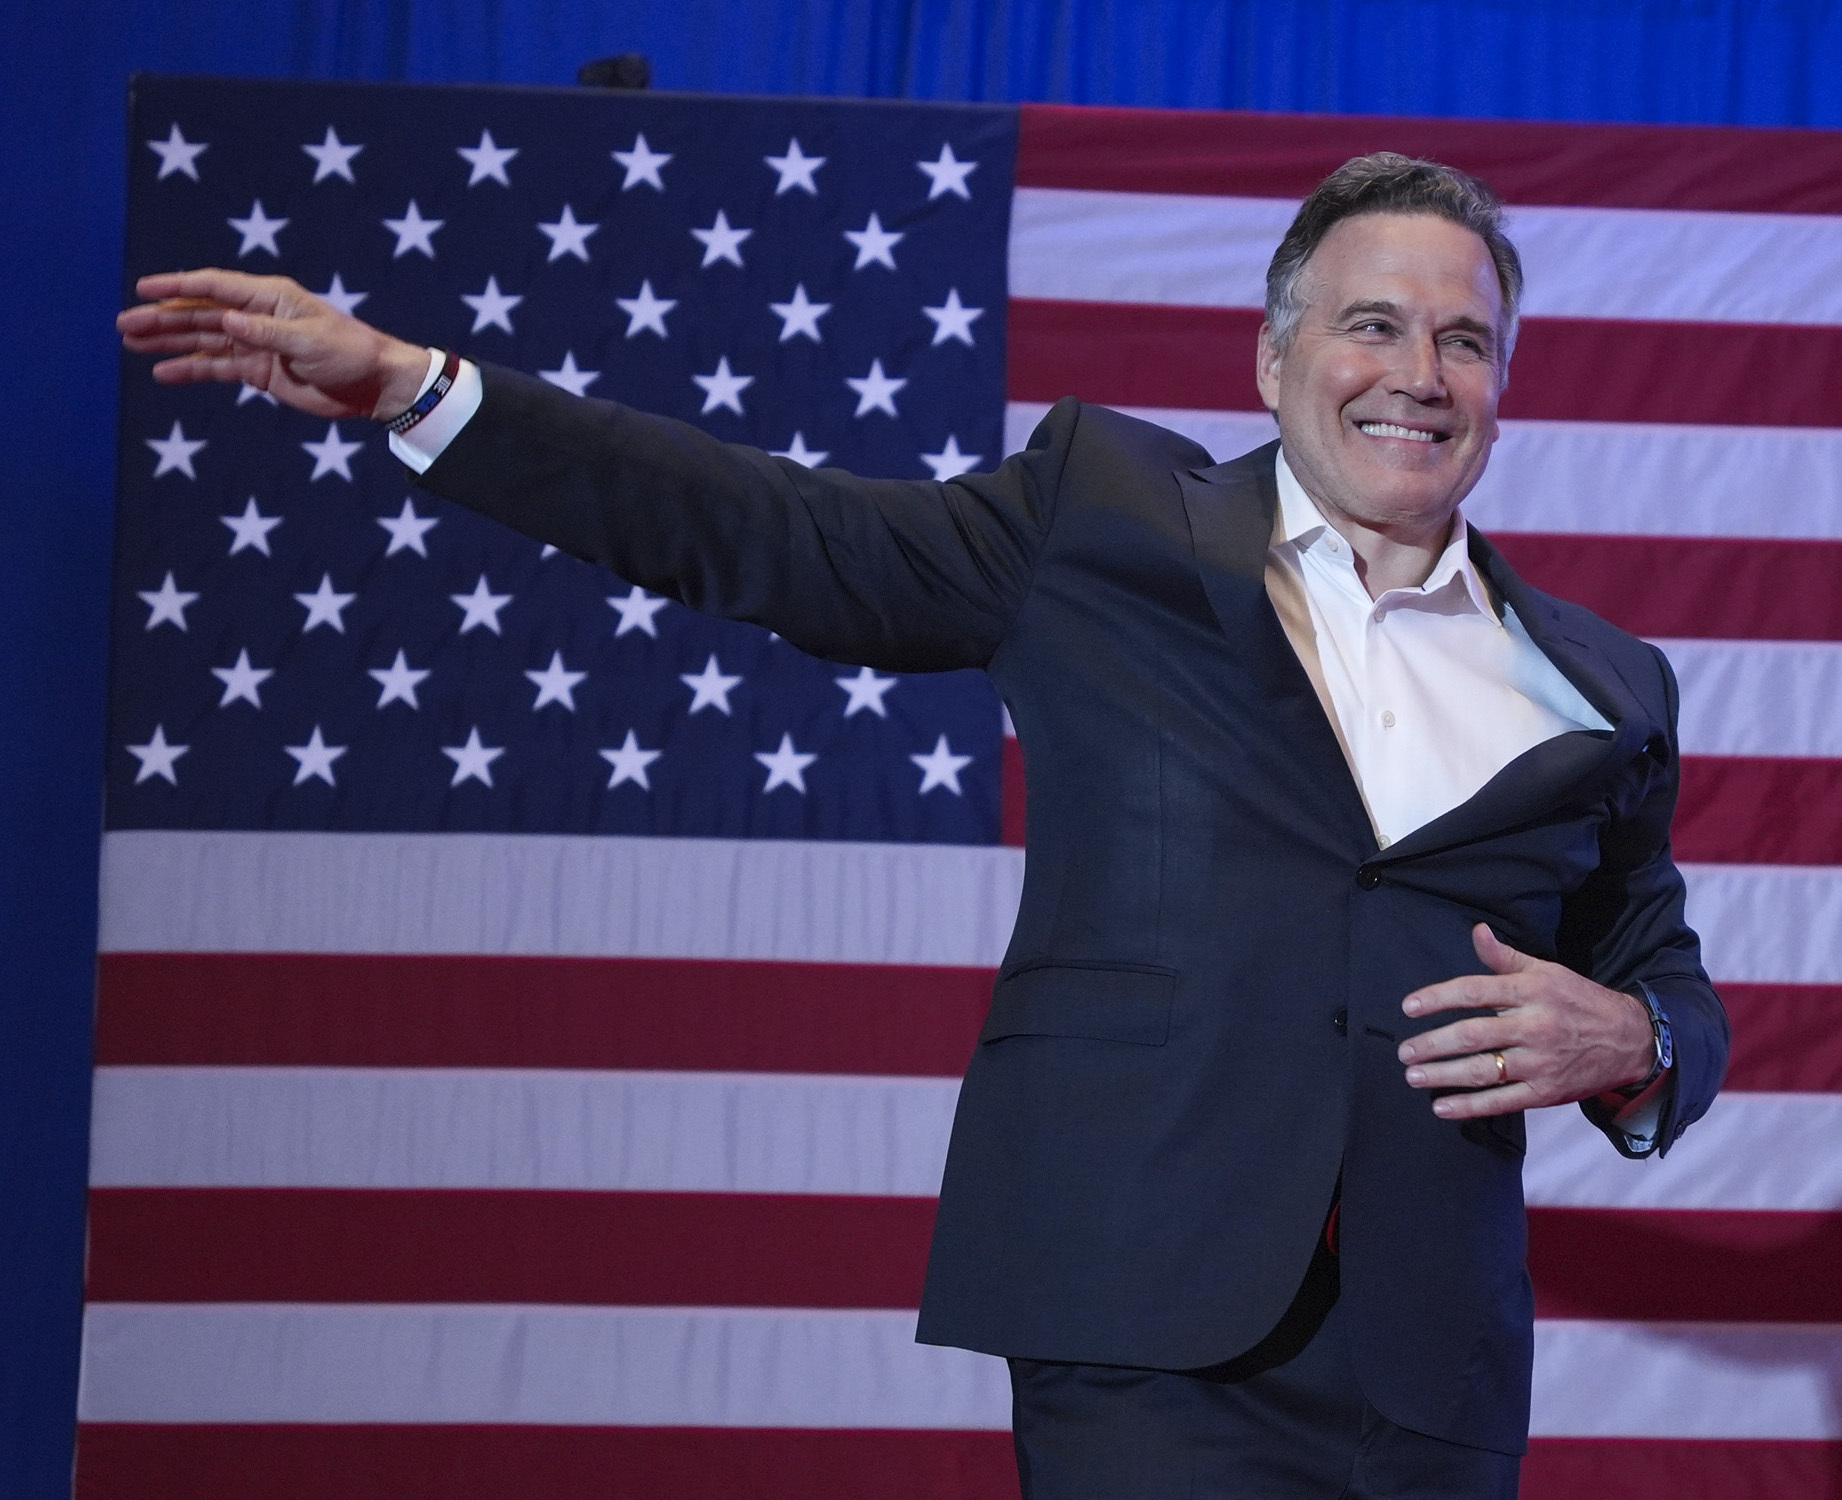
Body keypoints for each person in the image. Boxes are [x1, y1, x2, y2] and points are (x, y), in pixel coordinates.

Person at [120, 153, 1728, 1500]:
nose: (1420, 375)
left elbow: (1666, 982)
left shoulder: (1600, 682)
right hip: (1146, 1334)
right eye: (1373, 323)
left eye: (1466, 339)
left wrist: (1638, 1041)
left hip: (1427, 1372)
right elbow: (772, 530)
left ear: (1504, 383)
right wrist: (422, 390)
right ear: (1274, 356)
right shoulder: (1099, 521)